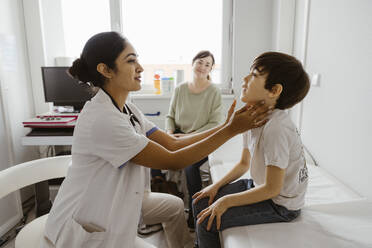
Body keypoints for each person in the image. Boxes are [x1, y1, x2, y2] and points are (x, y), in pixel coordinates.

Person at [40, 32, 271, 248]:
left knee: (174, 206)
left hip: (120, 200)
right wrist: (231, 130)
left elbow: (173, 143)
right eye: (131, 61)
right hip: (84, 222)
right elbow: (173, 160)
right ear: (106, 70)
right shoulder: (103, 120)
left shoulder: (127, 108)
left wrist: (224, 127)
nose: (140, 67)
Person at [192, 51, 310, 248]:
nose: (244, 79)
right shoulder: (251, 116)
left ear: (274, 91)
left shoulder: (277, 127)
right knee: (200, 201)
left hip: (280, 204)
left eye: (254, 75)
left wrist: (226, 201)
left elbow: (273, 188)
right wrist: (215, 186)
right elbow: (244, 163)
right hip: (260, 187)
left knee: (206, 221)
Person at [160, 50, 223, 228]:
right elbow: (169, 116)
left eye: (207, 64)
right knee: (155, 159)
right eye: (200, 62)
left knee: (190, 167)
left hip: (201, 139)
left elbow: (214, 124)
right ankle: (168, 207)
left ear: (211, 69)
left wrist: (188, 137)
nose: (202, 67)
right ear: (193, 63)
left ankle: (195, 216)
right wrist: (171, 133)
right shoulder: (180, 88)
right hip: (178, 136)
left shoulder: (213, 92)